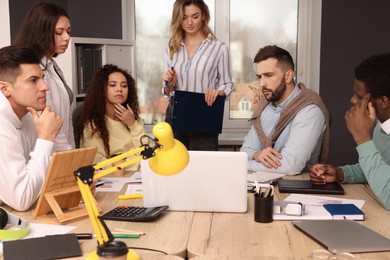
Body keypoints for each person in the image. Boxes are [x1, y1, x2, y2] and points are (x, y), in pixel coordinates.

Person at [310, 53, 390, 210]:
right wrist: (340, 173)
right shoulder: (381, 127)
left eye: (359, 96)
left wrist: (363, 139)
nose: (353, 100)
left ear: (383, 101)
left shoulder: (369, 132)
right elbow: (379, 168)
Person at [240, 45, 330, 175]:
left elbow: (290, 166)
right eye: (260, 77)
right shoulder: (265, 107)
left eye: (268, 75)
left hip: (296, 188)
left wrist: (242, 165)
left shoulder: (310, 111)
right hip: (263, 185)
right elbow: (245, 150)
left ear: (288, 76)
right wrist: (257, 154)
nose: (262, 84)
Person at [162, 0, 233, 151]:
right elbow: (168, 92)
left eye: (194, 16)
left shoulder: (218, 48)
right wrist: (170, 83)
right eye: (183, 17)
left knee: (203, 169)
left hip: (204, 115)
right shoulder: (171, 48)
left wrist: (218, 92)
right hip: (175, 116)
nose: (189, 22)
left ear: (203, 16)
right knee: (174, 170)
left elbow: (227, 84)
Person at [0, 46, 63, 211]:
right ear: (5, 88)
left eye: (42, 78)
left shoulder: (28, 114)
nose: (45, 87)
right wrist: (46, 138)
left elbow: (38, 175)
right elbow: (22, 199)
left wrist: (69, 185)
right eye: (33, 80)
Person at [14, 2, 75, 152]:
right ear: (41, 32)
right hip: (46, 155)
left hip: (63, 153)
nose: (67, 38)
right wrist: (73, 160)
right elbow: (50, 125)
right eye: (59, 32)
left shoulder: (52, 65)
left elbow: (64, 124)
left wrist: (74, 155)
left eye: (68, 31)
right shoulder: (33, 71)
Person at [75, 64, 146, 174]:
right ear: (102, 89)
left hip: (138, 178)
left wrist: (133, 124)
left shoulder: (134, 119)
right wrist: (128, 164)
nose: (119, 89)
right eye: (112, 85)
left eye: (124, 86)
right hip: (109, 181)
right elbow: (96, 162)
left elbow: (147, 152)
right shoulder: (93, 125)